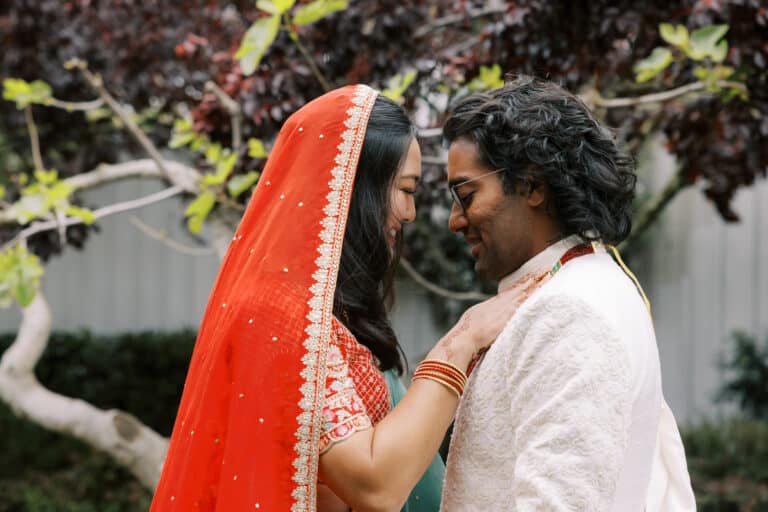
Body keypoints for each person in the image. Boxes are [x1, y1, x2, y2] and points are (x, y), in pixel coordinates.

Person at [151, 85, 518, 512]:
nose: (409, 212)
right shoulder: (277, 317)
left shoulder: (320, 313)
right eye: (404, 189)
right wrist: (461, 343)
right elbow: (375, 485)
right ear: (353, 187)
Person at [439, 76, 696, 511]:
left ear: (533, 186)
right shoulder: (592, 278)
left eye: (466, 196)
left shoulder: (568, 310)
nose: (454, 220)